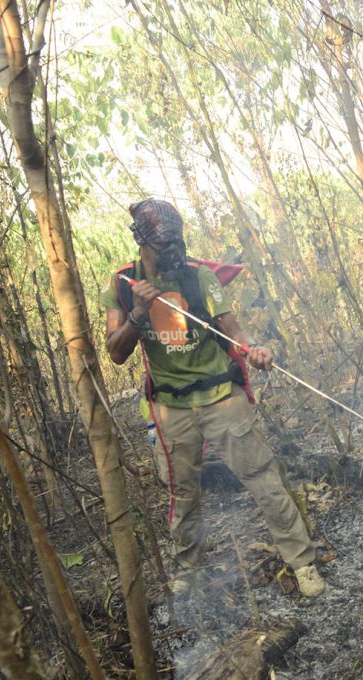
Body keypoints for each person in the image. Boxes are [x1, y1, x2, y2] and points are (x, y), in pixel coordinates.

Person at [101, 198, 325, 598]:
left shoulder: (198, 277)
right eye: (163, 244)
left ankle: (303, 562)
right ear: (142, 242)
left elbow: (234, 331)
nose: (173, 252)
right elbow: (116, 353)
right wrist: (139, 311)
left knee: (262, 477)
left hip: (222, 397)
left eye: (176, 242)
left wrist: (253, 349)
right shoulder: (121, 283)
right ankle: (189, 567)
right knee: (182, 492)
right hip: (171, 409)